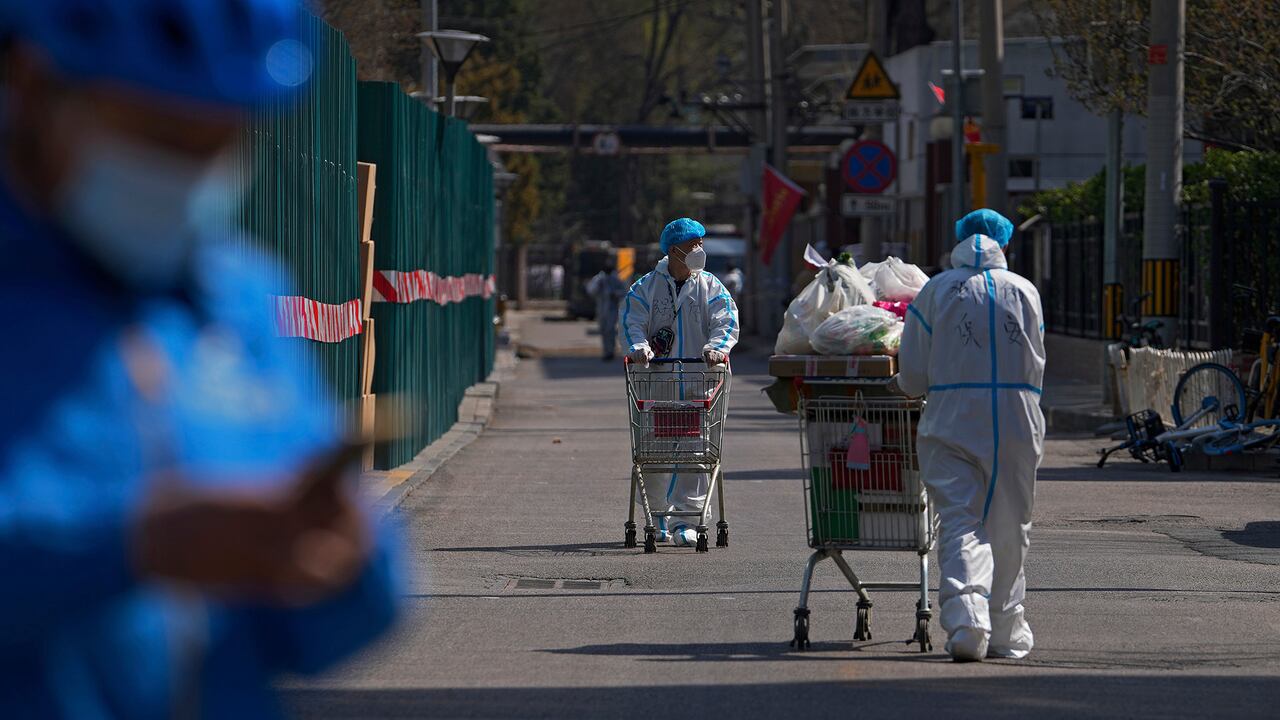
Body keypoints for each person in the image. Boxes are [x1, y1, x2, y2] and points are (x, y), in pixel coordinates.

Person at [0, 1, 400, 716]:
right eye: (159, 135)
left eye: (218, 144)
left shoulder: (236, 293)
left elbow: (317, 636)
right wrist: (128, 549)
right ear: (30, 83)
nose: (187, 175)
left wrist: (345, 564)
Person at [897, 208, 1046, 662]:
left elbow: (914, 374)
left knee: (961, 518)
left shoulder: (937, 289)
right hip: (1018, 417)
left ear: (957, 241)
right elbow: (1038, 358)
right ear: (1006, 245)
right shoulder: (1024, 290)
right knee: (1009, 524)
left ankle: (967, 621)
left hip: (953, 415)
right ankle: (1005, 631)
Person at [621, 218, 739, 546]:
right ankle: (657, 516)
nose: (700, 251)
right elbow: (632, 322)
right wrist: (639, 348)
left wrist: (717, 348)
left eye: (701, 243)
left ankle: (688, 520)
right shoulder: (646, 288)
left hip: (700, 387)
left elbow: (725, 320)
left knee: (697, 452)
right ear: (674, 250)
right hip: (656, 387)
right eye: (693, 245)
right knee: (654, 452)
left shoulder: (711, 286)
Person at [586, 259, 627, 360]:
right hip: (601, 309)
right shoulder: (599, 279)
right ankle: (606, 351)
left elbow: (623, 292)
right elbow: (590, 290)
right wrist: (598, 287)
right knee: (603, 330)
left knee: (610, 330)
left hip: (612, 309)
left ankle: (610, 351)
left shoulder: (616, 279)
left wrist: (615, 294)